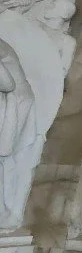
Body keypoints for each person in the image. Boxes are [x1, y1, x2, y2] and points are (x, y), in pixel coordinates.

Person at [0, 38, 35, 228]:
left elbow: (7, 84)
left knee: (5, 160)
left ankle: (4, 211)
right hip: (11, 102)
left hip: (14, 104)